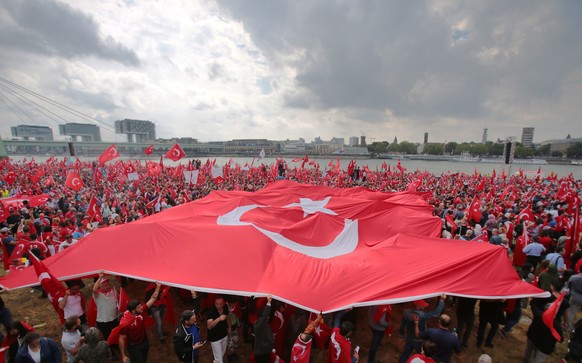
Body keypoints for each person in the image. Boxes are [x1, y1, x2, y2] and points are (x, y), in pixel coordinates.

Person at [108, 282, 161, 363]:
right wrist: (123, 355)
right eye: (139, 308)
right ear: (133, 311)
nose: (141, 308)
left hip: (144, 342)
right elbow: (121, 338)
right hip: (134, 347)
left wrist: (158, 287)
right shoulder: (125, 322)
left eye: (140, 306)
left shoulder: (140, 311)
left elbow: (152, 299)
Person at [398, 295, 446, 363]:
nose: (424, 306)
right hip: (419, 340)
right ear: (419, 306)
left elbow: (402, 324)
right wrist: (441, 301)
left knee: (405, 354)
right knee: (422, 356)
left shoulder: (407, 312)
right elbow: (436, 313)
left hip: (409, 338)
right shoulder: (422, 315)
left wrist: (401, 333)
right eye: (423, 305)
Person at [92, 273, 119, 358]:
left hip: (114, 318)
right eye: (105, 285)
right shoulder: (98, 295)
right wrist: (100, 277)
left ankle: (116, 346)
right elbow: (94, 289)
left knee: (116, 334)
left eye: (108, 285)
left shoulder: (112, 291)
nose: (108, 286)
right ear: (100, 286)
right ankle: (112, 353)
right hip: (103, 321)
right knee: (108, 337)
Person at [207, 296, 231, 363]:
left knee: (221, 356)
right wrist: (218, 319)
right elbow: (209, 326)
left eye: (220, 304)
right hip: (214, 338)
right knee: (219, 360)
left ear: (224, 303)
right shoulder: (211, 311)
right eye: (216, 304)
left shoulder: (225, 307)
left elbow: (227, 316)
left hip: (224, 335)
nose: (218, 306)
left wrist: (229, 327)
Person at [253, 296, 274, 363]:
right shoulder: (258, 326)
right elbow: (264, 317)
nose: (268, 317)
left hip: (265, 352)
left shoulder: (264, 325)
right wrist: (269, 303)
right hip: (260, 355)